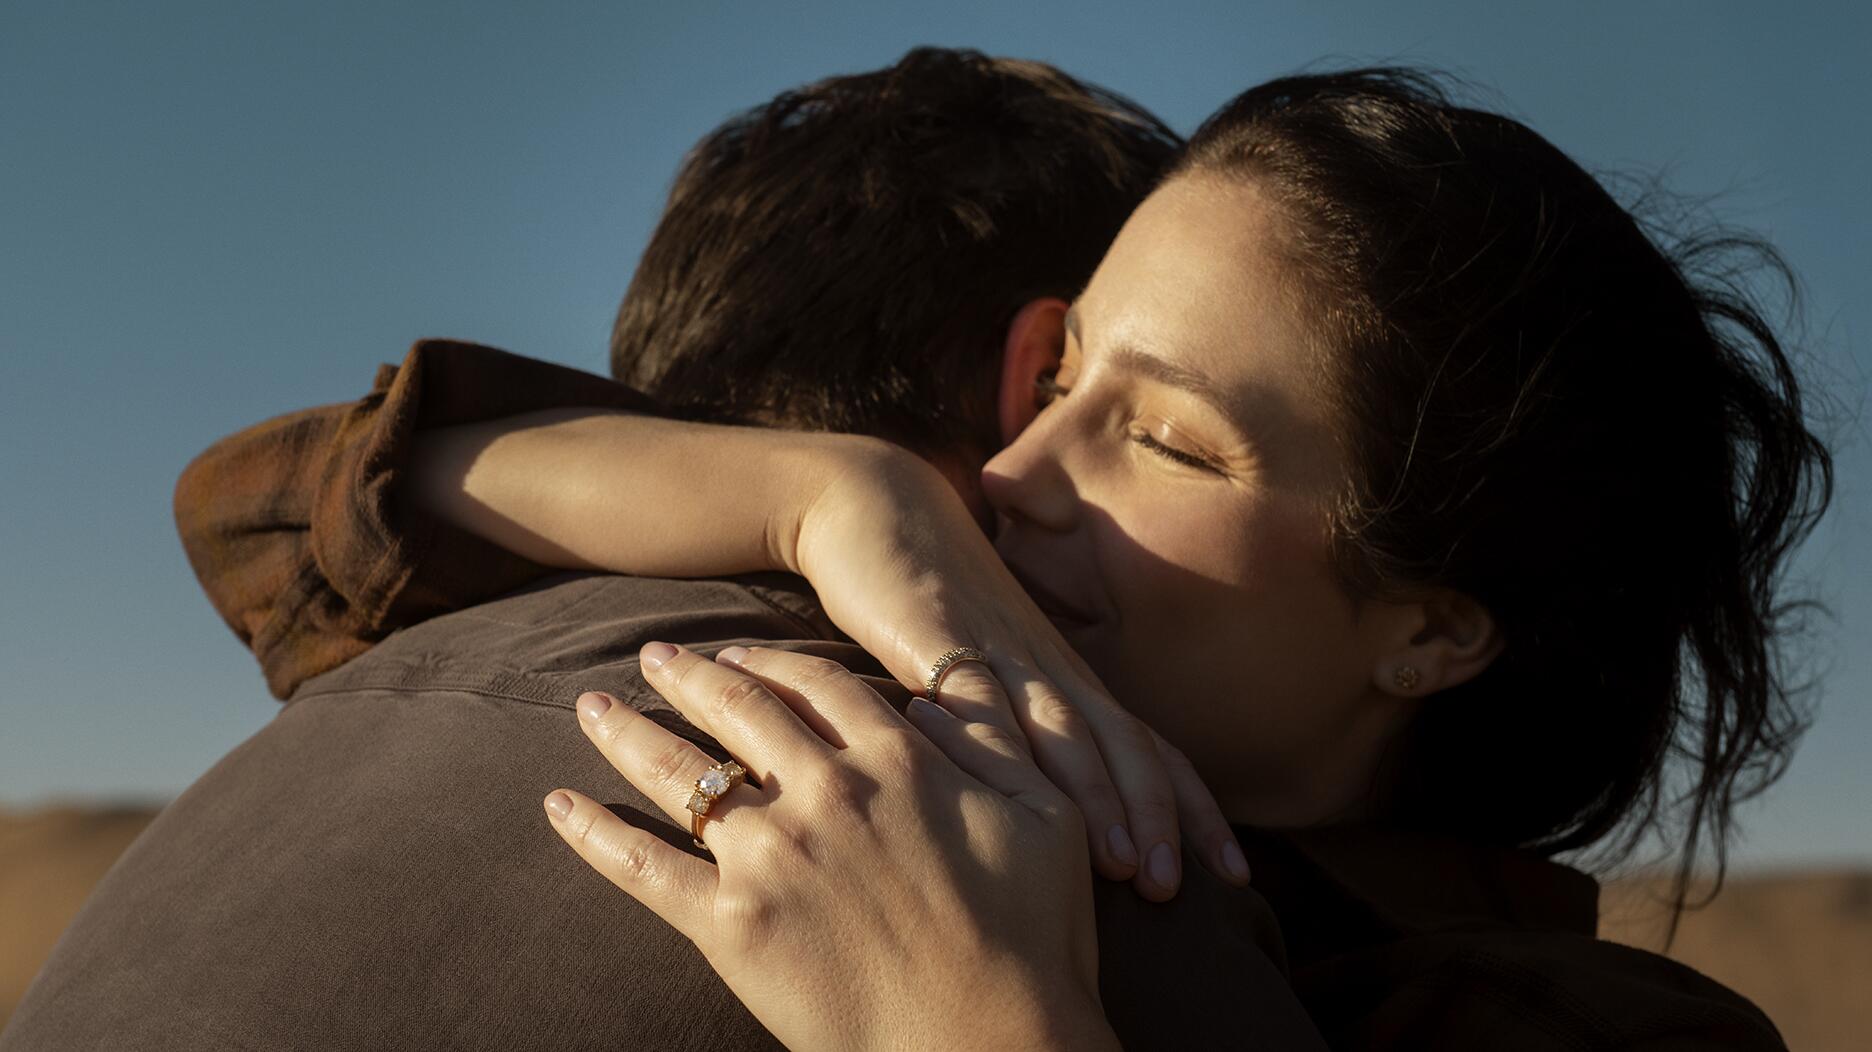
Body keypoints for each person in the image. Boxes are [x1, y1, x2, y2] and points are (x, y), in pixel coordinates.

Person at [256, 69, 1830, 1047]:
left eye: (1169, 442)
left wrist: (967, 1028)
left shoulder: (1568, 1028)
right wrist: (835, 494)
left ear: (1429, 633)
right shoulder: (953, 689)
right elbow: (291, 515)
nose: (1013, 474)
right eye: (1064, 380)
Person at [2, 50, 1321, 1051]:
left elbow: (259, 506)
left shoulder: (335, 721)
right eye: (1138, 416)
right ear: (1038, 373)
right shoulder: (1075, 871)